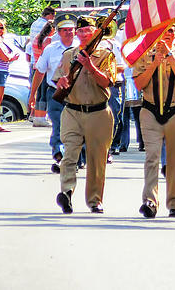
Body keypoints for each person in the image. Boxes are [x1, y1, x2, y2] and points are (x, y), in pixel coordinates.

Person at [53, 16, 115, 215]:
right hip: (72, 110)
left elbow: (107, 81)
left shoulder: (106, 55)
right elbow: (58, 78)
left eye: (88, 31)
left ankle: (94, 200)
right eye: (80, 31)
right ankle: (67, 192)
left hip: (98, 112)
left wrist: (90, 66)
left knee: (97, 160)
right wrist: (60, 83)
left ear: (96, 32)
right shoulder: (69, 55)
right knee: (70, 154)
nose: (84, 34)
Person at [133, 25, 175, 218]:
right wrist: (154, 63)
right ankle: (149, 200)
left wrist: (170, 56)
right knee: (152, 157)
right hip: (150, 110)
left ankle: (174, 203)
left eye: (171, 32)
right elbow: (139, 84)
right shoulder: (144, 53)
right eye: (163, 31)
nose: (167, 35)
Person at [34, 17, 79, 172]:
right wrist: (33, 94)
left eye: (70, 30)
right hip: (55, 92)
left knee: (78, 127)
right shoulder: (50, 49)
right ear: (59, 33)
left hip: (77, 93)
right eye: (64, 30)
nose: (68, 33)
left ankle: (78, 157)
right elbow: (40, 71)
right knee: (58, 124)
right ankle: (59, 155)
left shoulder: (81, 47)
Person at [27, 20, 54, 128]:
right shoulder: (48, 40)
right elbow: (48, 54)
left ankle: (37, 116)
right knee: (44, 93)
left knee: (38, 93)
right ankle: (41, 117)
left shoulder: (37, 37)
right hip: (45, 69)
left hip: (36, 66)